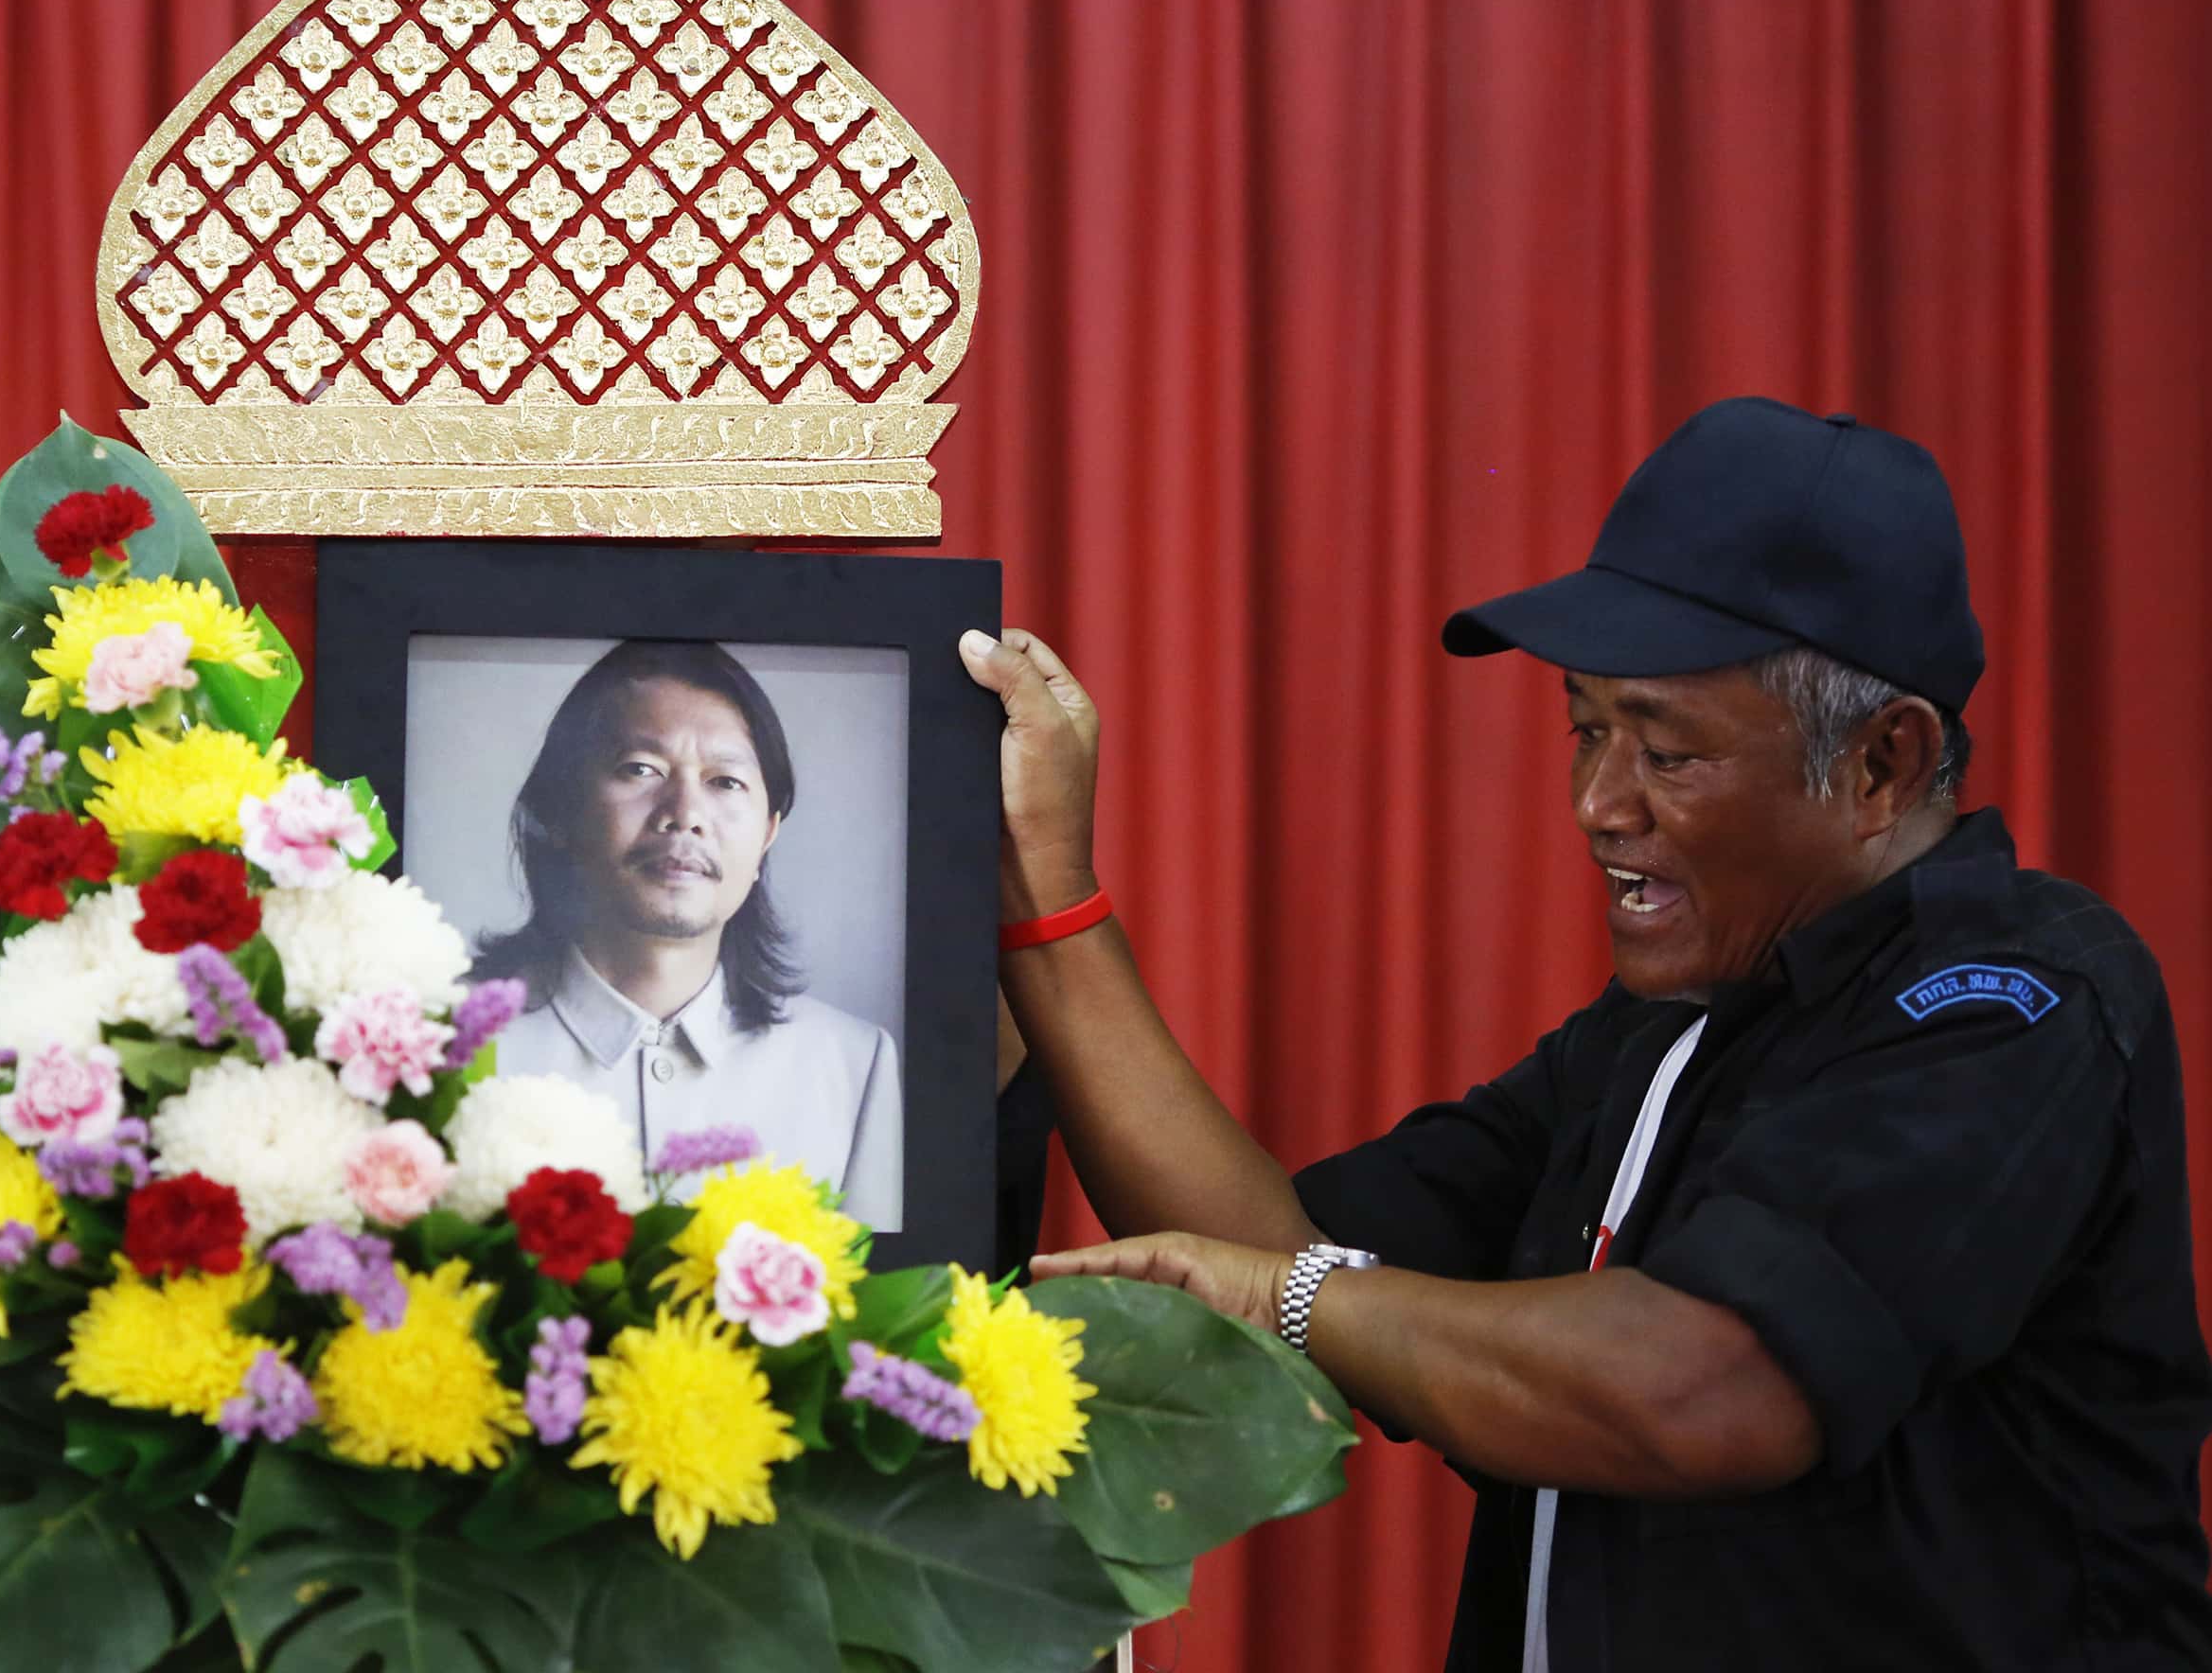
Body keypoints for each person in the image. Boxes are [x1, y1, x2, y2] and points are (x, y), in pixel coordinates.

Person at [963, 397, 2212, 1670]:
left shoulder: (2015, 1003)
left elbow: (1703, 1390)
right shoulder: (1663, 1032)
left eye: (1665, 753)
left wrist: (1286, 1295)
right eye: (1586, 731)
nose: (1597, 805)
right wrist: (1049, 899)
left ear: (1883, 767)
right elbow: (1271, 1260)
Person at [479, 640, 906, 1229]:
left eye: (725, 781)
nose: (685, 813)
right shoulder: (445, 1045)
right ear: (562, 814)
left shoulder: (853, 1066)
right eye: (640, 769)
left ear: (767, 836)